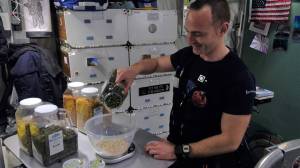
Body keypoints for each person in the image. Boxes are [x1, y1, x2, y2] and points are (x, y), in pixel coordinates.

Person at [116, 0, 256, 167]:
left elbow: (230, 141)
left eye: (198, 34)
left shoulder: (239, 77)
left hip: (213, 162)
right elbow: (158, 64)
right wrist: (134, 69)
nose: (190, 40)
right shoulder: (191, 55)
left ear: (223, 29)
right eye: (188, 32)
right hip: (181, 152)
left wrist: (177, 151)